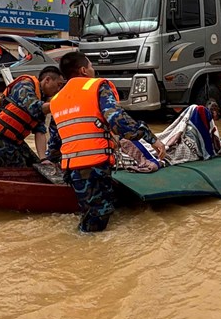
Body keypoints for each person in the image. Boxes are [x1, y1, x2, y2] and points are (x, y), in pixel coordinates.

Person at [50, 52, 166, 232]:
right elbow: (117, 120)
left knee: (89, 212)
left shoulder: (57, 100)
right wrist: (151, 138)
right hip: (95, 166)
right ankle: (88, 255)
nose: (93, 70)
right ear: (83, 70)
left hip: (72, 170)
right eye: (91, 66)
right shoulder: (96, 86)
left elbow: (55, 139)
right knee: (98, 219)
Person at [0, 66, 64, 167]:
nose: (58, 90)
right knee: (19, 171)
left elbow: (40, 131)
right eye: (58, 85)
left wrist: (43, 159)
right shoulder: (24, 86)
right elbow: (34, 107)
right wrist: (61, 103)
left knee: (38, 167)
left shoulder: (41, 98)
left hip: (15, 142)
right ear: (47, 80)